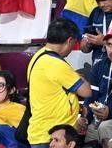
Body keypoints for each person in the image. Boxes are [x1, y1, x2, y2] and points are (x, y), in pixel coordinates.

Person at [26, 19, 92, 148]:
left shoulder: (37, 56)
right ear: (69, 41)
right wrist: (78, 75)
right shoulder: (56, 63)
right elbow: (86, 91)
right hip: (51, 137)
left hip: (41, 132)